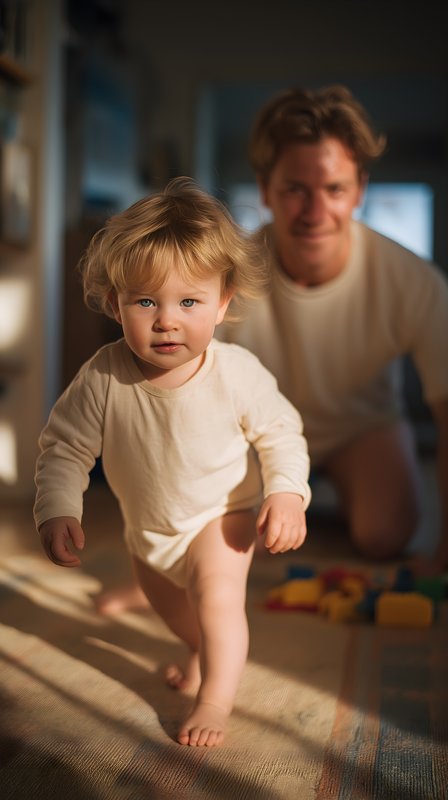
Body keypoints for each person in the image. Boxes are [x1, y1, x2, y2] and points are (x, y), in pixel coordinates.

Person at [33, 177, 311, 748]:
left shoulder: (236, 373)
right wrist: (57, 508)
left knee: (216, 599)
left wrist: (287, 492)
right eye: (145, 301)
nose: (167, 320)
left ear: (222, 304)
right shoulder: (103, 376)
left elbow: (281, 432)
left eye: (189, 301)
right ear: (115, 304)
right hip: (149, 532)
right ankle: (197, 650)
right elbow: (65, 447)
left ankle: (215, 697)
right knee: (181, 617)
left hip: (223, 515)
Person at [218, 84, 448, 576]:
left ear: (360, 189)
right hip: (255, 434)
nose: (316, 212)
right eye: (296, 189)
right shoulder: (227, 274)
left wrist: (445, 555)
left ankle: (332, 497)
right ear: (265, 190)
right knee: (222, 542)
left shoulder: (415, 282)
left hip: (361, 428)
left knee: (385, 536)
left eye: (335, 189)